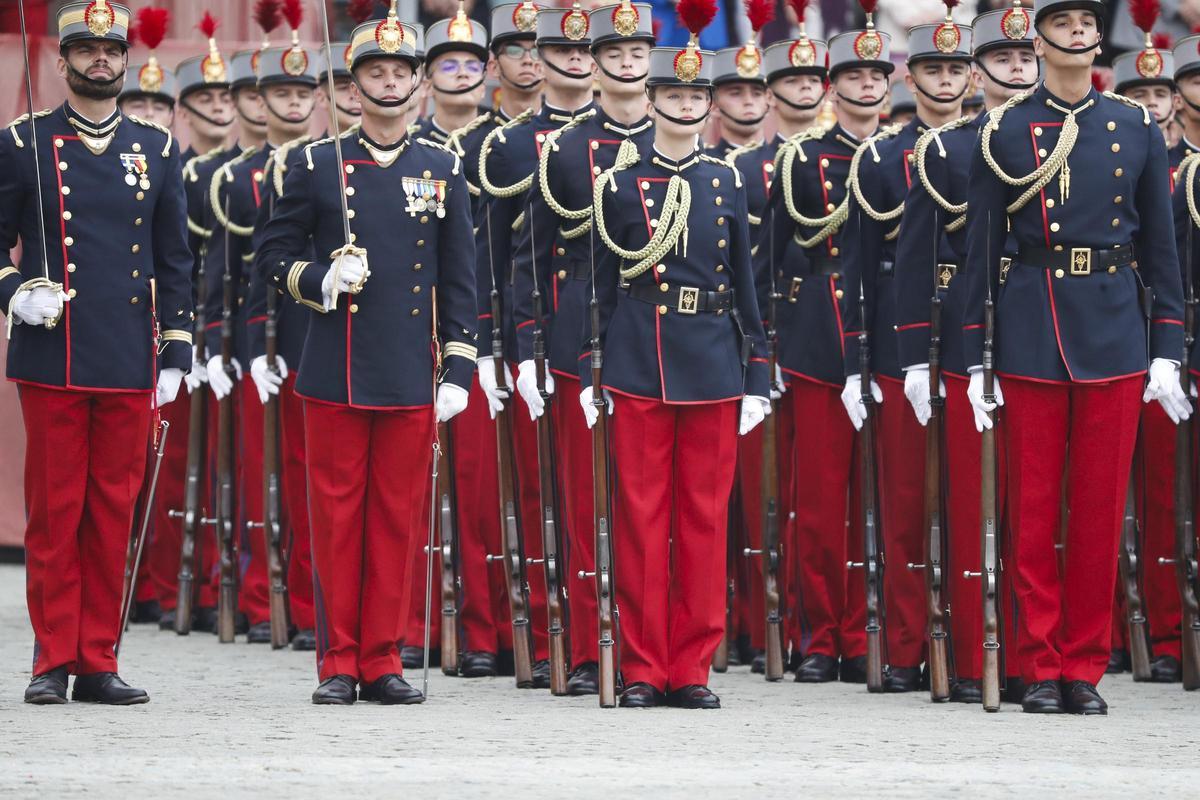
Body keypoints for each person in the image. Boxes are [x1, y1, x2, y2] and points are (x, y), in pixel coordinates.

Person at [963, 0, 1187, 715]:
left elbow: (1161, 246)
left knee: (1097, 511)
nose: (1080, 32)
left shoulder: (1132, 124)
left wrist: (1169, 345)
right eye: (1064, 24)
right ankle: (1037, 662)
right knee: (1032, 512)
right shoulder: (1006, 128)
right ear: (1039, 39)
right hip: (1033, 319)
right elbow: (980, 252)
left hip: (1117, 323)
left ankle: (1083, 665)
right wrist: (974, 357)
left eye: (1088, 24)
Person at [256, 2, 476, 704]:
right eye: (374, 73)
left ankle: (383, 657)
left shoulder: (443, 166)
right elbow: (274, 256)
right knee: (336, 521)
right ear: (352, 87)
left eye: (399, 72)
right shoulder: (316, 164)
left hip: (410, 368)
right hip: (336, 367)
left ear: (417, 85)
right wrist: (321, 278)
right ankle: (338, 661)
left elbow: (461, 277)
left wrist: (461, 367)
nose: (388, 84)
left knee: (396, 521)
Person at [2, 1, 192, 705]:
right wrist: (15, 291)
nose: (101, 60)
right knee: (56, 512)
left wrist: (175, 348)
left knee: (113, 511)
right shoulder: (21, 143)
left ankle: (97, 658)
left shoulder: (159, 147)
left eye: (111, 49)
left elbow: (174, 259)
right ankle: (51, 659)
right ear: (62, 61)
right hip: (54, 351)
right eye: (86, 49)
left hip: (126, 354)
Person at [582, 0, 770, 708]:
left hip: (714, 364)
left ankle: (691, 666)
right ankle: (641, 664)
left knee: (703, 522)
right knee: (640, 521)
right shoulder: (618, 184)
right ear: (652, 100)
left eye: (699, 96)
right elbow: (600, 289)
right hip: (637, 362)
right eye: (675, 95)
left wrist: (758, 373)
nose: (688, 106)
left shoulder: (727, 179)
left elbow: (750, 289)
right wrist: (590, 366)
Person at [890, 0, 1038, 703]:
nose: (1015, 69)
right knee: (969, 500)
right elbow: (917, 257)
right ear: (976, 73)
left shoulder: (1064, 138)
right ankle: (973, 648)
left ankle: (1034, 649)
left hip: (1044, 328)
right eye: (1002, 59)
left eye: (1023, 57)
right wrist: (919, 356)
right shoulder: (948, 146)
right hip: (968, 333)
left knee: (1034, 503)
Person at [510, 0, 657, 695]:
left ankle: (649, 640)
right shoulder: (563, 149)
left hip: (661, 339)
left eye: (637, 55)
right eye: (615, 55)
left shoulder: (676, 142)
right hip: (581, 337)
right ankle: (587, 639)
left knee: (649, 499)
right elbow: (531, 256)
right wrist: (524, 343)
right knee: (582, 498)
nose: (627, 65)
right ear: (592, 65)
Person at [839, 0, 975, 694]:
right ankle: (902, 644)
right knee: (901, 505)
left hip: (978, 336)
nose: (946, 80)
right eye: (932, 67)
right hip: (902, 342)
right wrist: (856, 357)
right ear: (908, 76)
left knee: (972, 505)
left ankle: (975, 647)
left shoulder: (996, 148)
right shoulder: (883, 157)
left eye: (956, 67)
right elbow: (859, 266)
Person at [756, 2, 890, 686]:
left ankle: (878, 629)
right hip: (817, 333)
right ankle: (821, 633)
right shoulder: (800, 158)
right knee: (819, 498)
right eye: (854, 77)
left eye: (877, 76)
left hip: (889, 335)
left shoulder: (906, 155)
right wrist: (770, 344)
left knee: (888, 497)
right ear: (831, 88)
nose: (867, 87)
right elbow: (771, 258)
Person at [474, 1, 597, 689]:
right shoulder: (514, 145)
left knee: (596, 493)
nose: (577, 59)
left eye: (587, 51)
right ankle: (549, 630)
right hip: (540, 323)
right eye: (562, 50)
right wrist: (499, 346)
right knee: (539, 489)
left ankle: (594, 633)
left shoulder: (624, 138)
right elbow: (495, 258)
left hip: (607, 327)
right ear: (538, 59)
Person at [203, 12, 319, 645]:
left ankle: (306, 602)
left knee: (307, 482)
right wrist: (239, 347)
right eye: (282, 93)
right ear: (261, 99)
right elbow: (228, 274)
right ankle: (257, 596)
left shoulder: (330, 164)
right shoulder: (234, 176)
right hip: (262, 342)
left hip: (311, 330)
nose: (294, 102)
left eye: (304, 93)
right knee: (259, 476)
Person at [441, 3, 544, 680]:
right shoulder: (458, 148)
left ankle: (532, 628)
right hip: (471, 332)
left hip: (535, 331)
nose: (530, 59)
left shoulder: (556, 143)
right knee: (473, 492)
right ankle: (479, 627)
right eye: (514, 48)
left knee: (537, 492)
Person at [412, 1, 489, 146]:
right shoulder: (412, 147)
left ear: (483, 87)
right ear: (427, 86)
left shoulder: (502, 143)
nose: (463, 73)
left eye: (473, 67)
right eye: (449, 67)